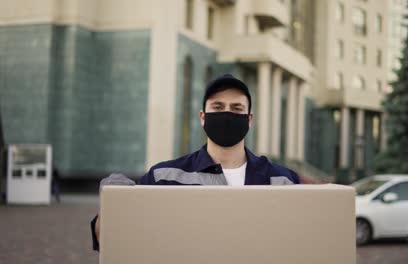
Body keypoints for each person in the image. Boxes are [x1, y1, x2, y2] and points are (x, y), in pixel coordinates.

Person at [90, 74, 300, 251]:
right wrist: (112, 204)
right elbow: (111, 240)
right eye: (218, 107)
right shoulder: (164, 177)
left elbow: (297, 244)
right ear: (202, 117)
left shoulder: (283, 180)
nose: (227, 114)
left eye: (236, 108)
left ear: (249, 119)